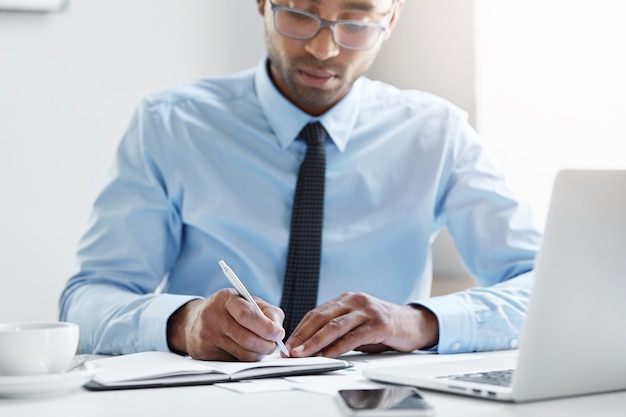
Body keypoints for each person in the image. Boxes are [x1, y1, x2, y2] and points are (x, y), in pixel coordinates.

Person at [59, 0, 541, 361]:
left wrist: (418, 322)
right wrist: (181, 325)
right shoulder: (170, 125)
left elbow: (541, 287)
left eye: (356, 21)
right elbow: (86, 300)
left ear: (391, 19)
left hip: (376, 405)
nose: (323, 48)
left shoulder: (437, 133)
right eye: (300, 13)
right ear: (263, 3)